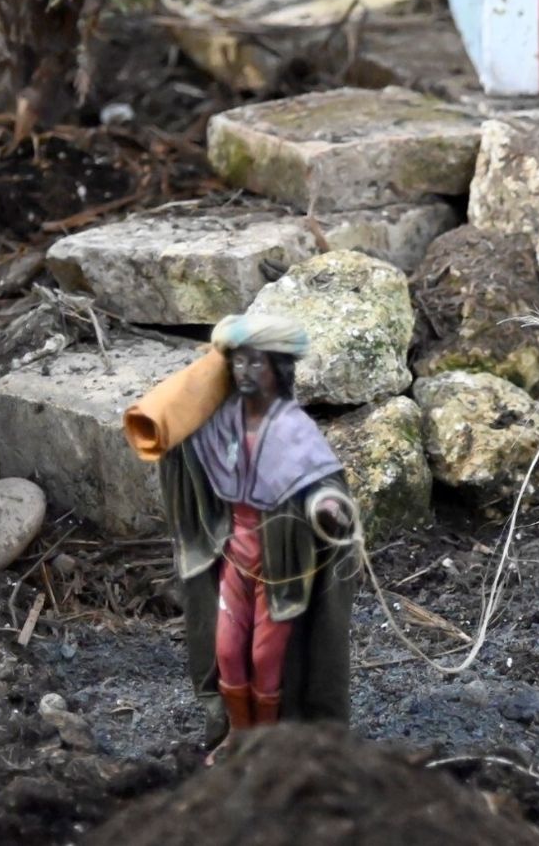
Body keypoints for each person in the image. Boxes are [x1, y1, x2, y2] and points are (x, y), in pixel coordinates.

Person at [158, 313, 356, 761]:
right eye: (239, 364)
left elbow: (320, 479)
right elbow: (186, 452)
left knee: (268, 662)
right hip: (234, 558)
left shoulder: (293, 428)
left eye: (257, 364)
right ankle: (237, 735)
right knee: (227, 651)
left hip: (281, 566)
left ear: (277, 370)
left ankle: (269, 743)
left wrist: (326, 506)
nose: (246, 374)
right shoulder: (221, 424)